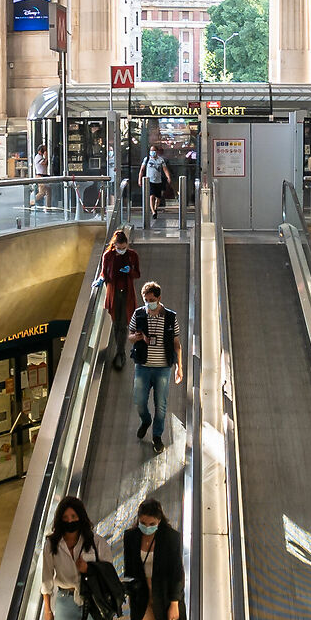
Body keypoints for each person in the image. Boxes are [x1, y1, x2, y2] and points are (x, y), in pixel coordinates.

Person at [127, 279, 181, 449]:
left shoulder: (171, 317)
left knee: (161, 405)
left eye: (151, 300)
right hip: (143, 366)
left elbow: (176, 343)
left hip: (163, 368)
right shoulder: (139, 314)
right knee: (139, 401)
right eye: (146, 300)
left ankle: (157, 436)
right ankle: (146, 420)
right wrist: (136, 338)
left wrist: (180, 367)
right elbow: (129, 336)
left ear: (158, 298)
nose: (148, 304)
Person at [99, 229, 140, 371]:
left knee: (122, 324)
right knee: (116, 322)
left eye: (124, 248)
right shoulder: (108, 256)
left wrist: (130, 271)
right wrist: (100, 280)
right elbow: (104, 273)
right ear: (114, 245)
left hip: (127, 292)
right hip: (114, 292)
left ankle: (120, 353)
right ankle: (120, 352)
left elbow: (137, 274)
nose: (122, 250)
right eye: (119, 248)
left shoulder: (132, 255)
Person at [140, 142, 173, 227]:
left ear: (157, 151)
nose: (152, 152)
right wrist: (139, 179)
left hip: (158, 181)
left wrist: (168, 177)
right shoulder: (146, 159)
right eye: (151, 150)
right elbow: (142, 170)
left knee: (158, 198)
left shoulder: (160, 160)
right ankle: (153, 211)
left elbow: (165, 169)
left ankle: (155, 208)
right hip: (149, 181)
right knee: (151, 196)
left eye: (154, 150)